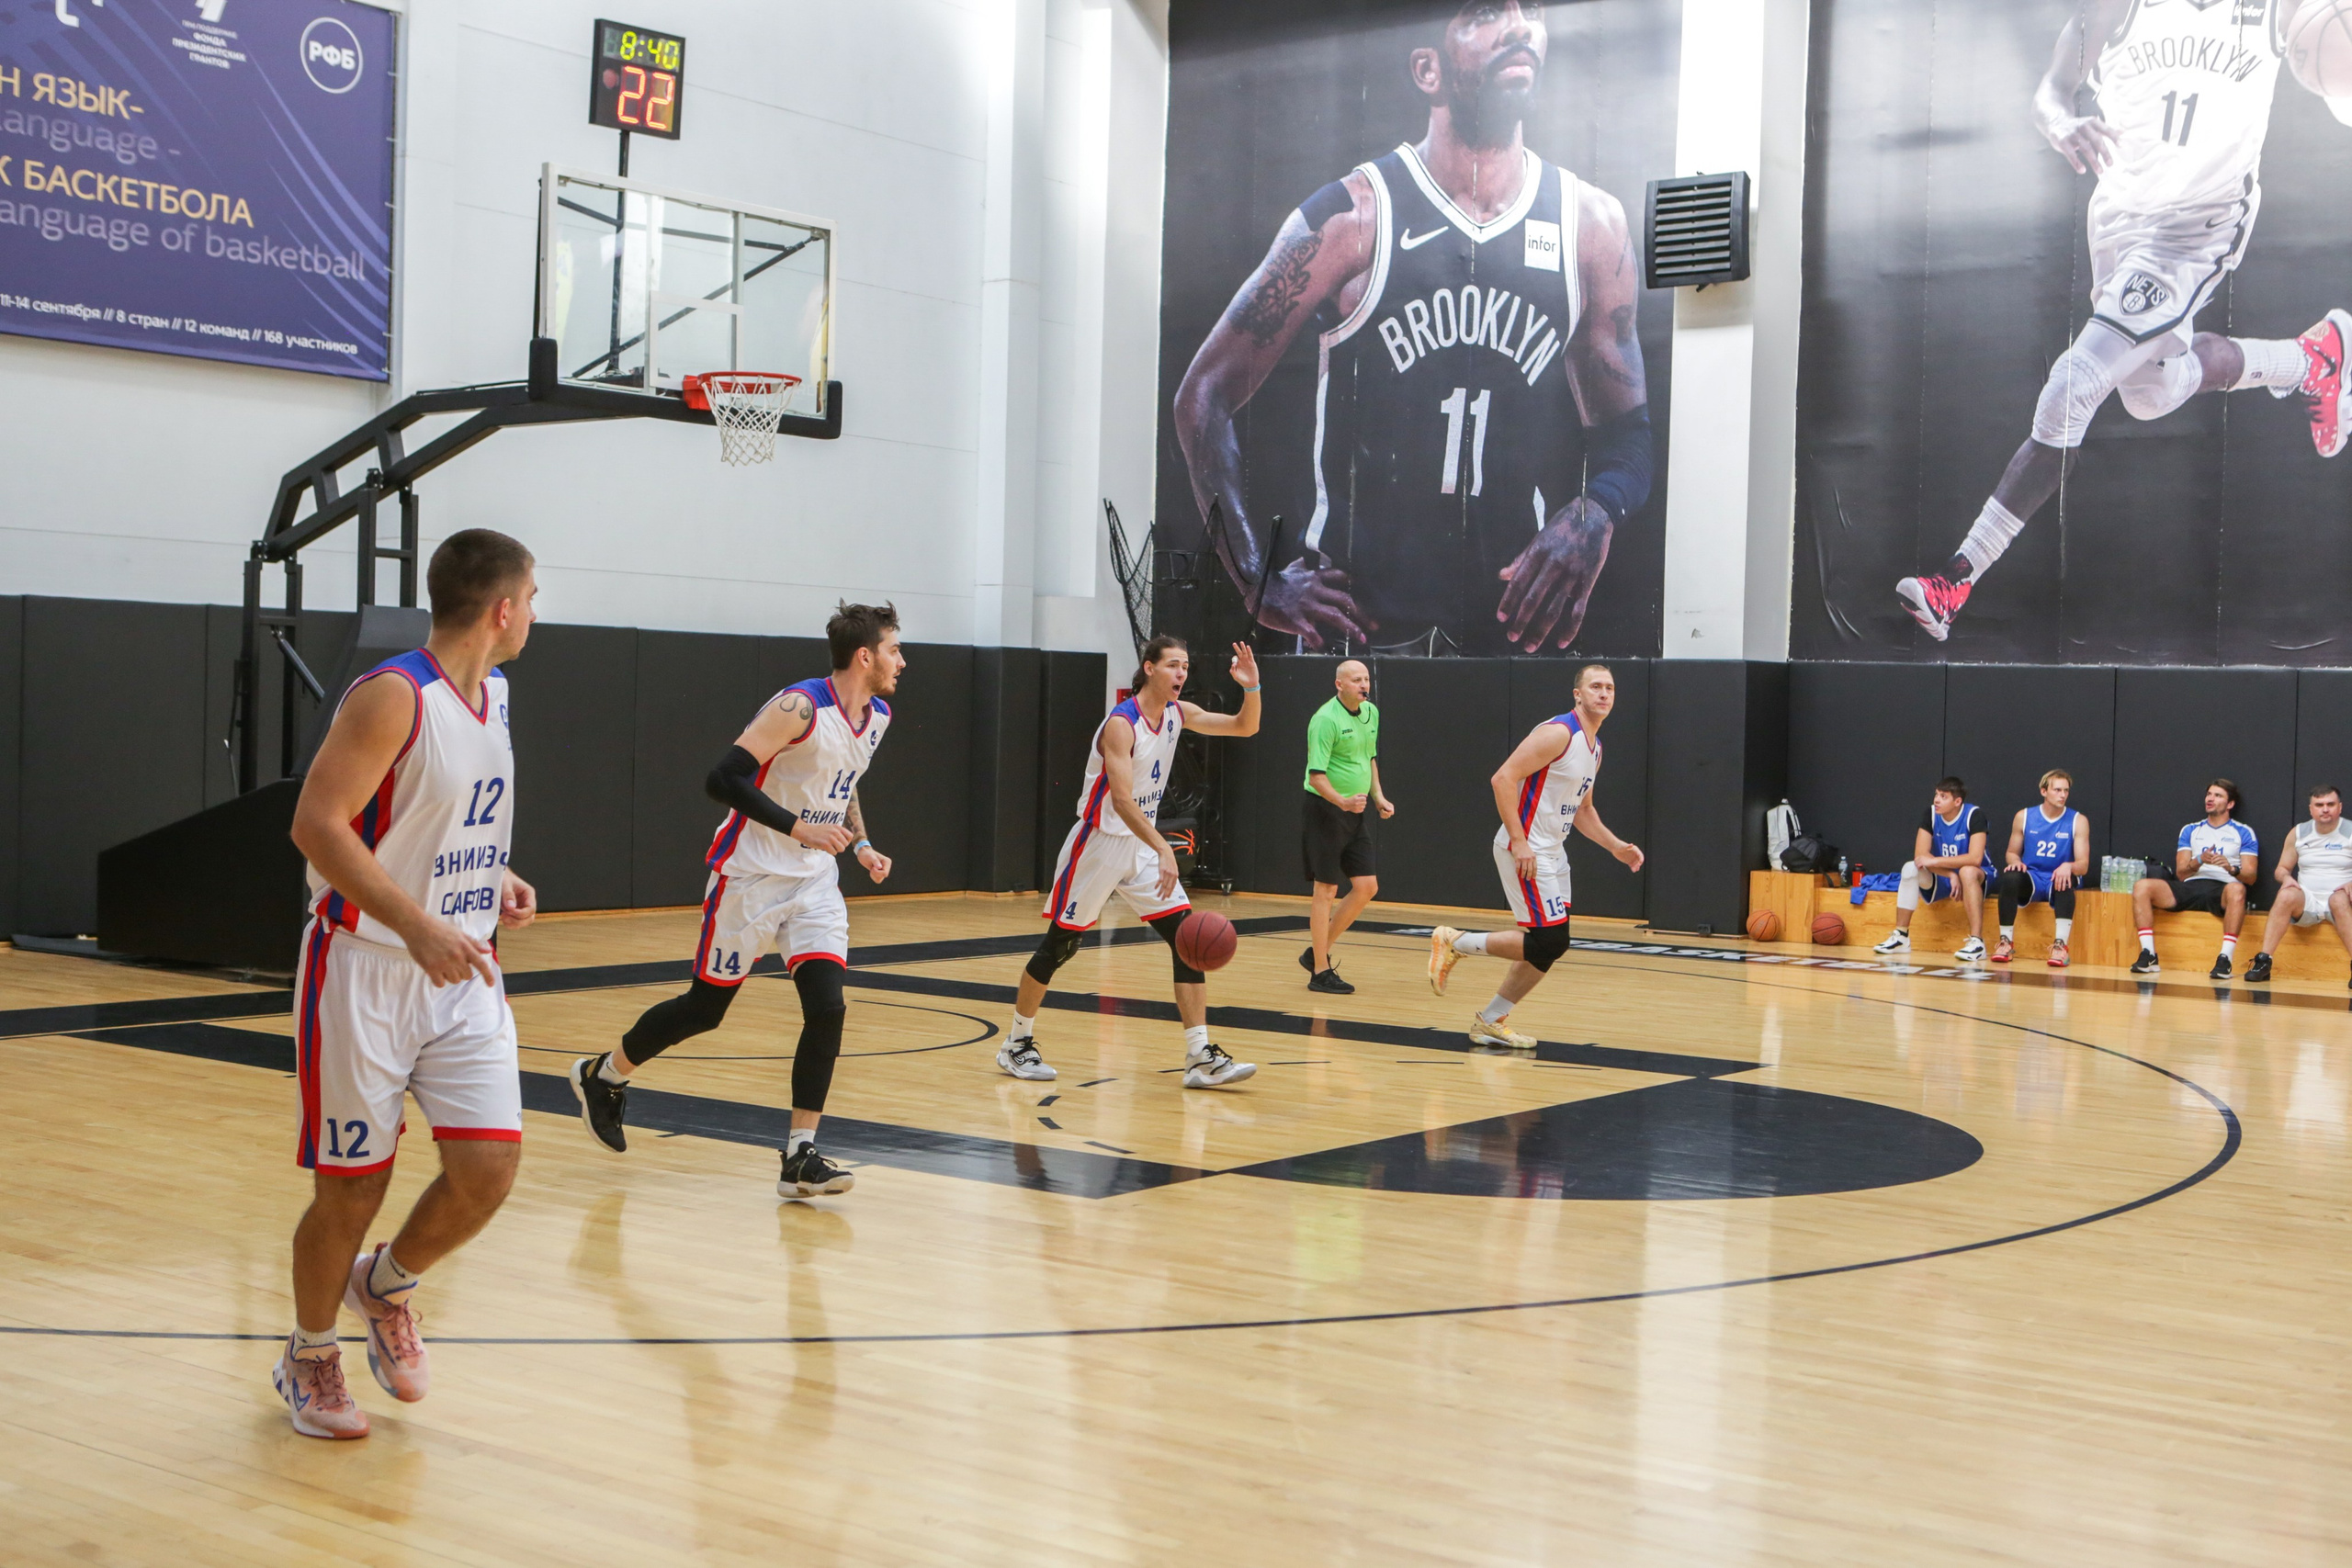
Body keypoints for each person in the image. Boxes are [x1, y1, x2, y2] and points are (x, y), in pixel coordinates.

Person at [1173, 0, 1652, 658]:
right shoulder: (1353, 216)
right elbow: (1202, 396)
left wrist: (1598, 510)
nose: (1519, 25)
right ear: (1427, 69)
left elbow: (1628, 437)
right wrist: (1258, 583)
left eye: (1531, 8)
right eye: (1486, 11)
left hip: (1510, 638)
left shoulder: (1590, 224)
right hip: (1360, 645)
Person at [1894, 0, 2349, 643]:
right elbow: (2052, 91)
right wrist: (2060, 124)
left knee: (2072, 385)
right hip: (2121, 221)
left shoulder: (2276, 10)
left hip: (2198, 226)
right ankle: (2314, 359)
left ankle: (1954, 580)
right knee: (2152, 393)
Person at [276, 529, 540, 1440]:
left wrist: (490, 873)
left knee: (488, 1168)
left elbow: (435, 812)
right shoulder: (394, 695)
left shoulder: (494, 694)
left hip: (461, 966)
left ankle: (382, 1287)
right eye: (532, 597)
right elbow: (318, 825)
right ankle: (310, 1354)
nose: (535, 613)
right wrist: (416, 920)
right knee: (351, 1189)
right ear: (502, 609)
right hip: (366, 971)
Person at [568, 604, 900, 1200]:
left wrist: (864, 843)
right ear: (865, 655)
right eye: (895, 650)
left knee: (828, 1008)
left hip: (814, 882)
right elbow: (723, 778)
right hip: (749, 877)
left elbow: (845, 780)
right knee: (705, 1009)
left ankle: (800, 1155)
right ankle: (603, 1075)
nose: (903, 662)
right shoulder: (798, 707)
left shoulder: (877, 715)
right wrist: (799, 827)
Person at [998, 637, 1263, 1086]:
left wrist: (1252, 688)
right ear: (1149, 669)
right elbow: (1120, 801)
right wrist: (1163, 846)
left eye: (1186, 666)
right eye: (1173, 665)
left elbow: (1244, 727)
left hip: (1140, 846)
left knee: (1187, 940)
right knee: (1060, 945)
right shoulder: (1121, 725)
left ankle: (1199, 1055)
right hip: (1098, 843)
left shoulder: (1179, 715)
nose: (1182, 673)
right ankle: (1016, 1044)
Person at [1426, 663, 1643, 1046]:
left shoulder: (1595, 748)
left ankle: (1490, 1020)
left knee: (1546, 948)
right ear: (1578, 694)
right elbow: (1502, 778)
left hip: (1553, 852)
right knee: (1549, 942)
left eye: (1609, 687)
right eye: (1595, 686)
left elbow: (1584, 810)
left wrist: (1616, 848)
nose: (1604, 693)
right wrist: (1519, 840)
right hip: (1525, 848)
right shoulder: (1559, 733)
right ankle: (1454, 941)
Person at [1300, 659, 1395, 993]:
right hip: (1325, 811)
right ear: (1339, 684)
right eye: (1356, 680)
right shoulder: (1325, 719)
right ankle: (1320, 973)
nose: (1363, 684)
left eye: (1366, 678)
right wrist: (1341, 802)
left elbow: (1368, 758)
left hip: (1354, 811)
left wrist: (1378, 796)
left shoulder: (1371, 713)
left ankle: (1316, 952)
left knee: (1367, 886)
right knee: (1325, 890)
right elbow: (1316, 775)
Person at [2129, 778, 2258, 978]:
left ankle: (2225, 959)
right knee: (2142, 887)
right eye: (2209, 794)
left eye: (2218, 795)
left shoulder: (2243, 832)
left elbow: (2250, 877)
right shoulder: (2191, 829)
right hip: (2191, 885)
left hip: (2223, 887)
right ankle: (2149, 954)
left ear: (2230, 804)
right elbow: (2181, 873)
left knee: (2238, 889)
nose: (2210, 799)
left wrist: (2230, 868)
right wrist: (2199, 860)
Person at [1872, 776, 1989, 961]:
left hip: (1978, 874)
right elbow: (1921, 857)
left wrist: (1936, 862)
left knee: (1966, 871)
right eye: (1936, 795)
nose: (1936, 800)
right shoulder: (1931, 814)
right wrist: (1950, 874)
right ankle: (1901, 936)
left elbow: (1975, 858)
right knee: (1910, 868)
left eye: (1943, 796)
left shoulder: (1974, 815)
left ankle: (1977, 942)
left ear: (1957, 801)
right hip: (1945, 876)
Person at [2246, 784, 2352, 984]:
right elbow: (2281, 869)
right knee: (2285, 894)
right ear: (2311, 809)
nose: (2325, 809)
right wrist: (2286, 878)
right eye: (2319, 805)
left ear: (2340, 807)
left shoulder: (2350, 831)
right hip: (2308, 900)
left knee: (2338, 899)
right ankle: (2264, 961)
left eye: (2330, 804)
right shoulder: (2299, 832)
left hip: (2341, 899)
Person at [1994, 769, 2090, 967]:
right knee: (2010, 877)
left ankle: (2060, 947)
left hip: (2059, 877)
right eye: (2057, 790)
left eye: (2066, 790)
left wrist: (2069, 866)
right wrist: (2015, 863)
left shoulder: (2078, 820)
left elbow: (2083, 865)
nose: (2063, 795)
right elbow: (2011, 853)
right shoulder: (2024, 816)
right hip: (2034, 878)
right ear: (2044, 791)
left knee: (2064, 880)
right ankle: (2005, 942)